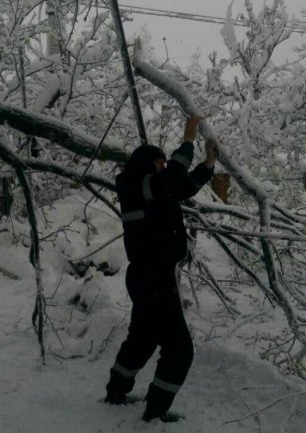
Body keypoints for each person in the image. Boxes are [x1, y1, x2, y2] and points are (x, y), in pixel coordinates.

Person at [104, 115, 217, 422]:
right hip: (152, 278)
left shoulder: (151, 189)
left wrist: (207, 165)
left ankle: (116, 391)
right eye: (160, 163)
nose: (164, 168)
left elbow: (183, 186)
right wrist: (188, 139)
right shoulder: (138, 184)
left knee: (142, 339)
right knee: (180, 349)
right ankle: (155, 412)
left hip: (149, 277)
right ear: (147, 165)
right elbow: (171, 180)